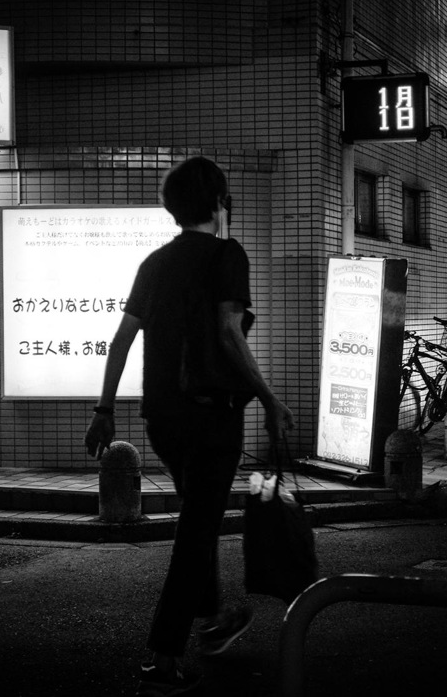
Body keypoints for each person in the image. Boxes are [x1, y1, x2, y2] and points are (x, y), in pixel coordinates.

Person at [83, 156, 294, 696]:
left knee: (197, 518)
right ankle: (164, 653)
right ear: (221, 202)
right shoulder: (227, 254)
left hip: (162, 419)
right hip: (212, 416)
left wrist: (104, 410)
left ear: (172, 206)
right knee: (197, 527)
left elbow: (122, 339)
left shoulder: (155, 262)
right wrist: (268, 398)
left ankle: (214, 616)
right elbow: (229, 332)